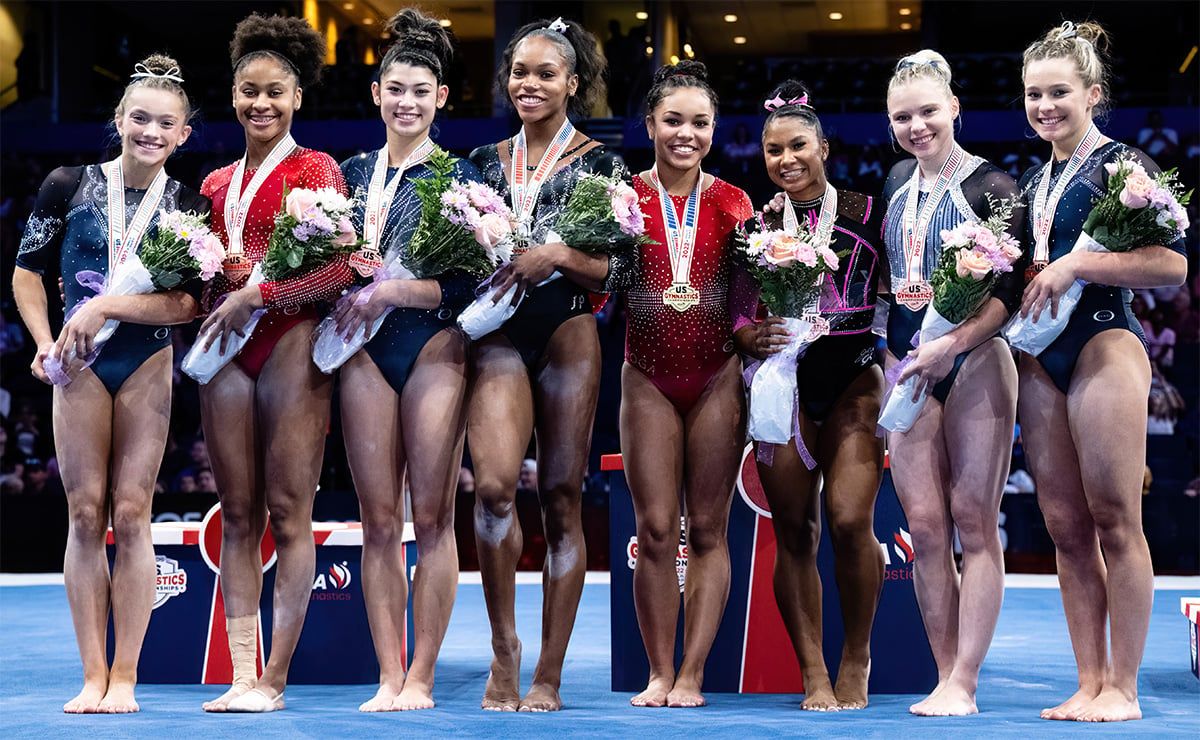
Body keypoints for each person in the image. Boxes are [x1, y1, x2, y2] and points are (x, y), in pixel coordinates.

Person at [11, 54, 205, 713]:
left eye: (165, 123)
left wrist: (103, 308)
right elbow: (27, 274)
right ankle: (91, 674)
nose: (150, 131)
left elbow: (186, 307)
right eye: (140, 118)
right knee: (85, 512)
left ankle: (126, 676)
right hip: (79, 365)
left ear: (184, 133)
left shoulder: (187, 203)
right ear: (119, 120)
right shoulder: (66, 184)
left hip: (145, 363)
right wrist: (43, 343)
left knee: (132, 511)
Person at [1016, 21, 1187, 722]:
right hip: (1039, 361)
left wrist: (1079, 262)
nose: (1045, 105)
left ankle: (1126, 687)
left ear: (1092, 93)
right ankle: (1088, 681)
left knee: (1116, 519)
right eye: (1033, 94)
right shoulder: (1034, 179)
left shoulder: (1123, 167)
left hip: (1104, 344)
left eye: (1058, 92)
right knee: (1064, 526)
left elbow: (1172, 267)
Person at [467, 16, 623, 712]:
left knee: (562, 496)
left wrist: (557, 255)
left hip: (567, 329)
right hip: (498, 333)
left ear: (572, 83)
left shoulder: (600, 162)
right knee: (496, 487)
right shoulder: (478, 161)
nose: (530, 83)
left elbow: (615, 271)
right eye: (520, 72)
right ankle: (505, 650)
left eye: (545, 73)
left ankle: (548, 674)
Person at [196, 14, 351, 713]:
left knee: (289, 513)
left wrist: (261, 290)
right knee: (237, 515)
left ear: (296, 98)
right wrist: (214, 285)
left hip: (289, 341)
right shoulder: (212, 182)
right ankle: (239, 674)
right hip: (228, 349)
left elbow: (342, 269)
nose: (262, 104)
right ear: (233, 96)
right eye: (249, 92)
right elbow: (199, 279)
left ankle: (275, 679)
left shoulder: (315, 168)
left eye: (275, 93)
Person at [332, 8, 480, 712]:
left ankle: (422, 674)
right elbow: (321, 266)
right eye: (396, 88)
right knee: (379, 520)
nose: (407, 101)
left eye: (421, 90)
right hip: (362, 352)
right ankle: (387, 674)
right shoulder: (348, 175)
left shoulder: (463, 176)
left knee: (434, 516)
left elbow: (474, 283)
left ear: (441, 98)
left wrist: (391, 288)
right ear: (376, 94)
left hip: (433, 347)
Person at [880, 50, 1024, 717]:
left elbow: (1008, 296)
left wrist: (952, 346)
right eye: (902, 116)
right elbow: (893, 280)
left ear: (954, 108)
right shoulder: (895, 182)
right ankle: (944, 676)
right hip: (910, 372)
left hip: (974, 363)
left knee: (973, 522)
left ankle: (966, 679)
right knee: (927, 530)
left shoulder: (993, 187)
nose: (917, 126)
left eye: (928, 111)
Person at [733, 79, 884, 711]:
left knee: (850, 521)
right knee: (795, 530)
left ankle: (857, 656)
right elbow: (738, 315)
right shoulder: (755, 225)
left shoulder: (870, 212)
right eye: (773, 150)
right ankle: (814, 670)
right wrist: (749, 334)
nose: (786, 159)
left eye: (798, 145)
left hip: (853, 382)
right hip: (782, 393)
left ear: (823, 145)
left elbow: (901, 294)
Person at [619, 61, 752, 709]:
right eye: (673, 120)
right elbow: (600, 283)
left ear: (714, 129)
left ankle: (693, 674)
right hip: (645, 376)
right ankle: (657, 672)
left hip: (717, 375)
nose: (686, 133)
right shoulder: (620, 198)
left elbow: (753, 298)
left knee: (707, 528)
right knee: (653, 530)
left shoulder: (733, 201)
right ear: (649, 124)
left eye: (700, 122)